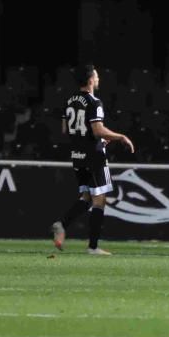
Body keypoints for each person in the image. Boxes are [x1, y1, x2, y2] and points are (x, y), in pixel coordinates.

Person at [51, 65, 134, 255]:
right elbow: (97, 130)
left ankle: (61, 223)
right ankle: (93, 247)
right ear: (90, 81)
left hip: (77, 156)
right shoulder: (94, 102)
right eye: (96, 77)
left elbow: (66, 130)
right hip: (94, 156)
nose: (98, 79)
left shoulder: (69, 101)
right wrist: (120, 137)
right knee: (100, 200)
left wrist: (88, 139)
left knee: (87, 197)